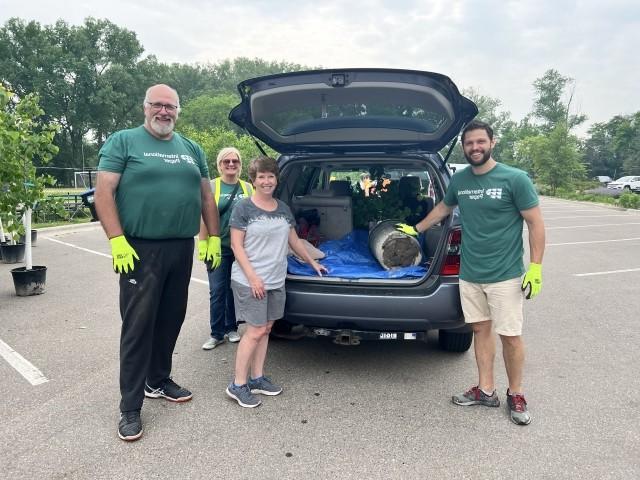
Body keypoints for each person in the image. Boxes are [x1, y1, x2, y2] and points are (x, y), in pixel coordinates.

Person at [396, 120, 545, 425]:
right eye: (469, 144)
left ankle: (515, 393)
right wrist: (416, 228)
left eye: (480, 142)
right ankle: (485, 389)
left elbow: (535, 223)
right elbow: (443, 208)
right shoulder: (460, 179)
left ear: (492, 142)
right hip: (470, 272)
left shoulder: (515, 179)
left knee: (511, 337)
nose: (475, 148)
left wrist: (536, 267)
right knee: (479, 330)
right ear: (464, 148)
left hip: (505, 274)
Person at [95, 84, 221, 441]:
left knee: (170, 319)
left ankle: (158, 379)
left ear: (178, 111)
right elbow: (104, 193)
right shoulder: (123, 142)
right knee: (138, 327)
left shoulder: (191, 148)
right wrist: (117, 240)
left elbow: (206, 197)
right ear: (145, 107)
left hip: (180, 247)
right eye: (158, 105)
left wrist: (213, 237)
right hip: (138, 249)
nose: (164, 112)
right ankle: (130, 407)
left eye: (171, 107)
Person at [225, 156, 327, 408]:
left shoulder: (282, 208)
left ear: (276, 179)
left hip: (275, 278)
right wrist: (252, 277)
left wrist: (312, 262)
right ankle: (238, 384)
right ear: (254, 180)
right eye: (262, 176)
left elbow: (294, 241)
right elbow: (236, 245)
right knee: (255, 330)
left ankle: (257, 378)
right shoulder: (244, 208)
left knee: (267, 328)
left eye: (271, 176)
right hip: (251, 279)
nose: (267, 181)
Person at [199, 148, 253, 350]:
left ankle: (231, 328)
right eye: (226, 161)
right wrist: (203, 243)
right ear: (219, 164)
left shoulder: (248, 187)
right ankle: (216, 333)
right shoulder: (212, 186)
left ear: (240, 164)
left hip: (241, 250)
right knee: (217, 290)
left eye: (235, 161)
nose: (231, 164)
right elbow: (204, 216)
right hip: (218, 248)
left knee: (234, 290)